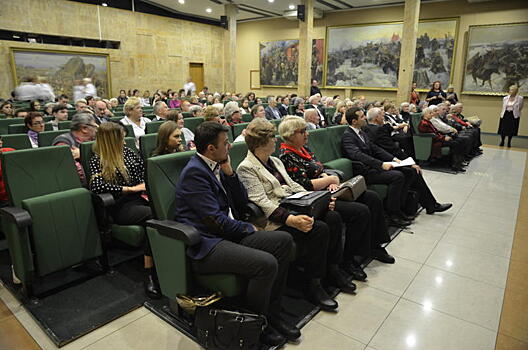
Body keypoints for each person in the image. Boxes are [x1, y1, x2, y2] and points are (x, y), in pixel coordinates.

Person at [173, 121, 299, 345]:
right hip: (207, 244)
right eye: (225, 143)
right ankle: (254, 322)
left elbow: (241, 202)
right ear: (211, 149)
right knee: (266, 263)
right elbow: (214, 222)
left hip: (226, 233)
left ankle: (272, 312)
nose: (230, 146)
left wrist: (229, 173)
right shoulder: (195, 173)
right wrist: (247, 227)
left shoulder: (216, 165)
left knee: (284, 240)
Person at [237, 118, 356, 311]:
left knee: (333, 216)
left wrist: (319, 199)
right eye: (271, 138)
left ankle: (331, 269)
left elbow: (294, 186)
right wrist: (290, 219)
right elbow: (262, 203)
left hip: (294, 205)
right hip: (274, 218)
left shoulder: (274, 161)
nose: (275, 140)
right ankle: (313, 284)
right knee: (319, 228)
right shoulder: (246, 167)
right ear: (261, 142)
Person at [278, 116, 395, 275]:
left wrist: (330, 180)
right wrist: (330, 179)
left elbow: (319, 169)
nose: (308, 134)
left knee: (371, 198)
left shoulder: (305, 148)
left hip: (327, 188)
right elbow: (302, 185)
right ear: (291, 135)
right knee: (359, 211)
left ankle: (374, 246)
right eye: (303, 131)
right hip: (315, 197)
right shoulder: (286, 155)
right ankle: (348, 259)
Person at [89, 122, 160, 299]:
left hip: (141, 198)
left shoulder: (128, 152)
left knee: (165, 210)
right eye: (121, 138)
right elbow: (96, 185)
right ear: (112, 140)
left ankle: (164, 261)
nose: (125, 141)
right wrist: (129, 189)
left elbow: (143, 171)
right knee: (154, 216)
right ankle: (150, 273)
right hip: (120, 205)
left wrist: (145, 184)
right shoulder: (97, 159)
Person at [364, 108, 452, 214]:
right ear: (377, 118)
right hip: (384, 161)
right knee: (413, 171)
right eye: (382, 116)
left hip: (384, 158)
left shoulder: (368, 128)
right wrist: (410, 162)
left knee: (413, 172)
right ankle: (429, 205)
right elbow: (392, 149)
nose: (384, 118)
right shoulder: (378, 130)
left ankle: (429, 204)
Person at [341, 107, 414, 227]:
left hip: (372, 167)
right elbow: (357, 155)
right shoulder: (348, 136)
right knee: (397, 176)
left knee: (408, 172)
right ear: (354, 121)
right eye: (362, 116)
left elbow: (375, 148)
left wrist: (393, 159)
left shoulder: (362, 132)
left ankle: (400, 209)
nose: (365, 118)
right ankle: (392, 214)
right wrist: (380, 164)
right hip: (363, 171)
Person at [53, 113, 99, 185]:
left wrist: (83, 155)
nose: (96, 129)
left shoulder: (94, 140)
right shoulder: (63, 142)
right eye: (94, 126)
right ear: (84, 128)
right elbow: (78, 173)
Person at [419, 107, 467, 172]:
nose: (432, 114)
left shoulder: (428, 122)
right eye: (430, 113)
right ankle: (455, 165)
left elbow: (436, 133)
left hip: (437, 139)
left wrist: (444, 136)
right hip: (433, 142)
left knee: (458, 140)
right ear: (425, 115)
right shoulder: (424, 123)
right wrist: (444, 138)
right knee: (455, 143)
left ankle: (459, 162)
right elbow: (430, 135)